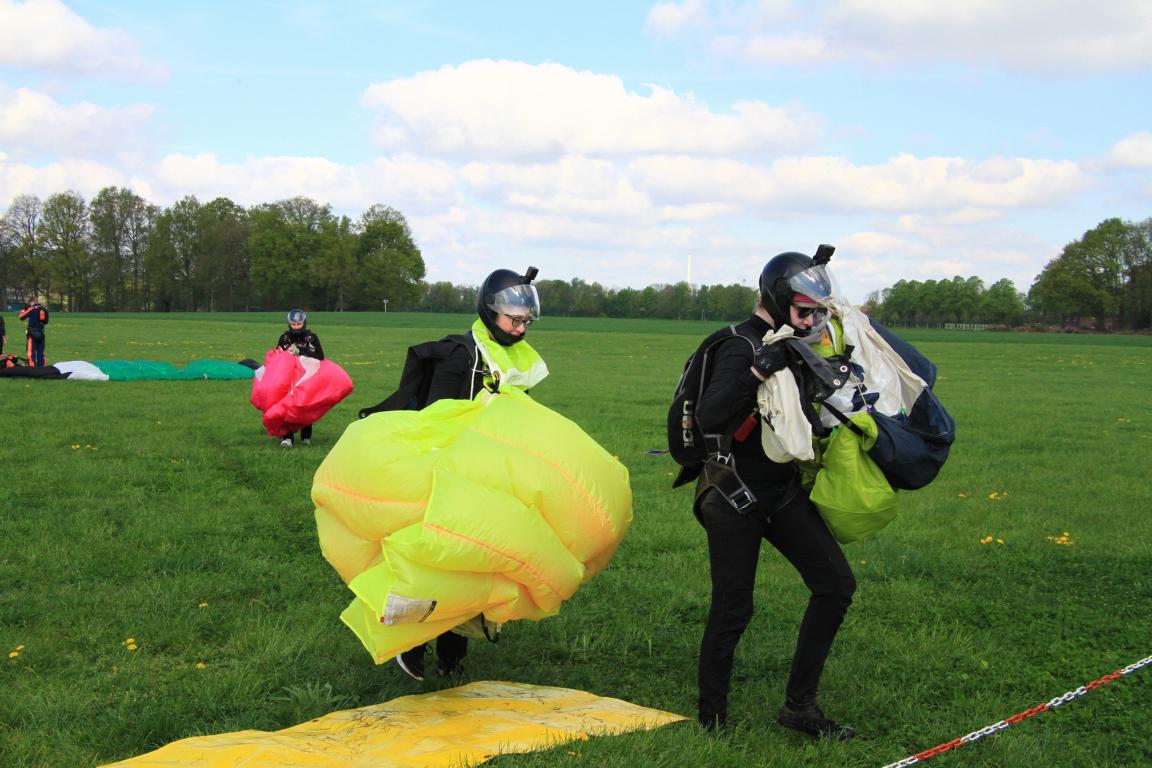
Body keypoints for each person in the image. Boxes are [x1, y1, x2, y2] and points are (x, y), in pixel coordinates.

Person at [692, 249, 856, 739]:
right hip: (733, 494)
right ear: (779, 299)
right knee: (733, 608)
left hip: (781, 490)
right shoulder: (739, 345)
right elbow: (709, 416)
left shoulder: (792, 343)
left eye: (816, 313)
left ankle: (800, 707)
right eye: (803, 311)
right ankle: (712, 721)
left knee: (835, 585)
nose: (809, 322)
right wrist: (759, 370)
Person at [395, 265, 547, 683]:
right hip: (448, 476)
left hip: (490, 477)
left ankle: (452, 656)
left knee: (474, 566)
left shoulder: (515, 362)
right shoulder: (460, 355)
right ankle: (411, 644)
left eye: (525, 322)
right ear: (489, 311)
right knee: (439, 563)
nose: (520, 329)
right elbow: (435, 419)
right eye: (513, 320)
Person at [275, 309, 324, 448]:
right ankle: (287, 438)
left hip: (307, 377)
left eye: (298, 324)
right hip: (288, 378)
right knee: (287, 406)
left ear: (304, 323)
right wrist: (287, 354)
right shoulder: (284, 338)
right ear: (289, 324)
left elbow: (321, 357)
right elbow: (277, 356)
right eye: (293, 324)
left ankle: (306, 437)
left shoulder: (312, 338)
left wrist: (302, 352)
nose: (296, 327)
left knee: (306, 406)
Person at [19, 295, 48, 367]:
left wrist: (23, 310)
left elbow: (21, 317)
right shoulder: (44, 309)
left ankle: (33, 367)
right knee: (41, 352)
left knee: (31, 352)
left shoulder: (31, 309)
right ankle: (42, 367)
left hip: (32, 334)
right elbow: (46, 321)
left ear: (32, 302)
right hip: (41, 333)